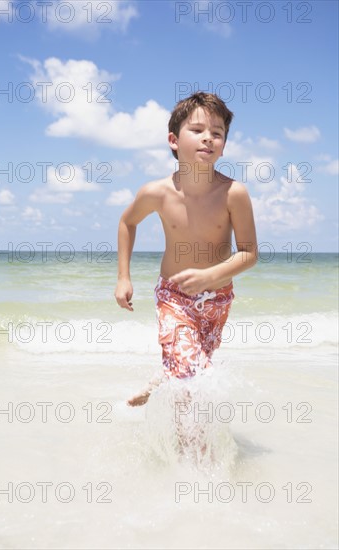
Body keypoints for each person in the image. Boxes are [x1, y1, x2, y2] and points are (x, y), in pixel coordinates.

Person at [114, 92, 257, 406]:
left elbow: (249, 253)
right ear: (174, 140)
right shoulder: (157, 192)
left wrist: (210, 277)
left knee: (197, 364)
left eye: (217, 133)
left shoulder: (234, 193)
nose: (208, 138)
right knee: (191, 380)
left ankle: (161, 378)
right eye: (197, 130)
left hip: (217, 299)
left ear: (224, 145)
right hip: (174, 295)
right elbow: (127, 223)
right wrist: (123, 277)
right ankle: (190, 453)